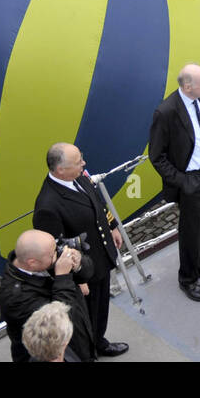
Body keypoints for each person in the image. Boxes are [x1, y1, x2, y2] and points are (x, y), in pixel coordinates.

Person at [32, 142, 129, 358]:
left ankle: (99, 341)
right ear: (60, 170)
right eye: (78, 162)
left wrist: (111, 226)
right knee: (87, 317)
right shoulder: (48, 205)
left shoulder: (79, 177)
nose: (83, 163)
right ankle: (89, 352)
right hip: (83, 274)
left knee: (102, 306)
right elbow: (55, 251)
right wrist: (77, 279)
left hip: (100, 259)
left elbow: (98, 204)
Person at [148, 63, 200, 302]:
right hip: (192, 182)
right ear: (187, 87)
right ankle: (188, 279)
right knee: (191, 233)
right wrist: (184, 182)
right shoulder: (166, 113)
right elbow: (157, 156)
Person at [0, 229, 96, 362]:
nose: (58, 256)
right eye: (53, 255)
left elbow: (88, 274)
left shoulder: (44, 254)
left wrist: (79, 264)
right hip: (54, 355)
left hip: (78, 341)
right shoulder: (14, 298)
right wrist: (63, 277)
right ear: (32, 262)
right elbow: (56, 321)